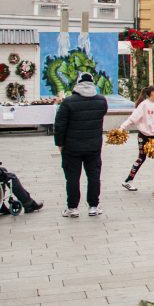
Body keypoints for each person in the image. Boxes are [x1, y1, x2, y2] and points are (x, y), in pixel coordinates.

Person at [53, 72, 107, 217]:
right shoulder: (101, 101)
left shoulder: (68, 102)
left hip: (72, 147)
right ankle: (93, 206)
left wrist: (59, 143)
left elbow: (59, 125)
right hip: (94, 146)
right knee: (94, 176)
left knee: (72, 178)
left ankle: (72, 208)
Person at [119, 85, 154, 191]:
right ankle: (128, 180)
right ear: (153, 93)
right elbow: (132, 118)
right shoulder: (143, 105)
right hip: (144, 135)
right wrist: (122, 127)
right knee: (141, 157)